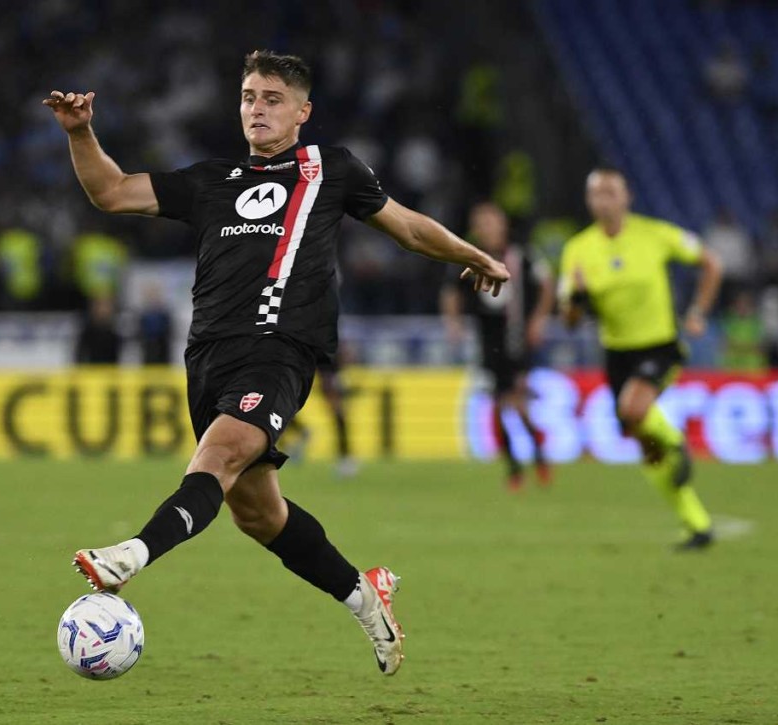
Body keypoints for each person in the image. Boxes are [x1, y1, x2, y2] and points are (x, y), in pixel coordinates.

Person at [43, 50, 509, 676]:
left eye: (271, 99)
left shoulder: (330, 169)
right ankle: (365, 596)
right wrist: (80, 133)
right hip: (208, 357)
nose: (256, 109)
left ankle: (130, 555)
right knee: (258, 513)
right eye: (248, 98)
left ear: (301, 112)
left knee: (218, 456)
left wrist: (473, 255)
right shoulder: (211, 181)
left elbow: (408, 227)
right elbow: (111, 191)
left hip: (281, 350)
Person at [558, 168, 722, 551]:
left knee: (633, 408)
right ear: (588, 200)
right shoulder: (577, 249)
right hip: (616, 353)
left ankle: (677, 441)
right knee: (646, 447)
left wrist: (698, 311)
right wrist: (577, 298)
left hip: (658, 346)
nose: (604, 201)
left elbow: (711, 263)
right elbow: (570, 320)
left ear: (627, 197)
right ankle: (697, 524)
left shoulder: (655, 234)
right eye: (596, 194)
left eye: (611, 192)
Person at [441, 202, 554, 491]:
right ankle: (518, 466)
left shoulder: (521, 254)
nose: (487, 228)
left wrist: (538, 320)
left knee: (513, 403)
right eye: (482, 223)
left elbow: (547, 283)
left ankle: (532, 459)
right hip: (487, 343)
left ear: (503, 225)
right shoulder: (469, 256)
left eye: (491, 222)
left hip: (517, 340)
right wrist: (453, 323)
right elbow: (451, 291)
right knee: (502, 405)